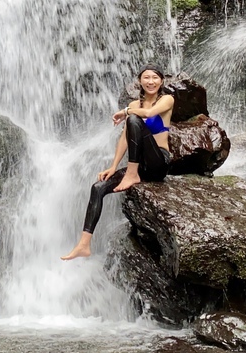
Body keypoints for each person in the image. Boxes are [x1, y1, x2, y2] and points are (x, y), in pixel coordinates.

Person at [61, 65, 174, 260]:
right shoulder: (134, 105)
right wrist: (113, 167)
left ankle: (132, 174)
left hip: (158, 162)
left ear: (161, 81)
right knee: (98, 187)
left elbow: (148, 114)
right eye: (146, 78)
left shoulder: (167, 99)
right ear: (140, 81)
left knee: (133, 119)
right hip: (140, 165)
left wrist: (125, 111)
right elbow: (124, 139)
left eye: (155, 78)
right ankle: (84, 244)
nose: (151, 81)